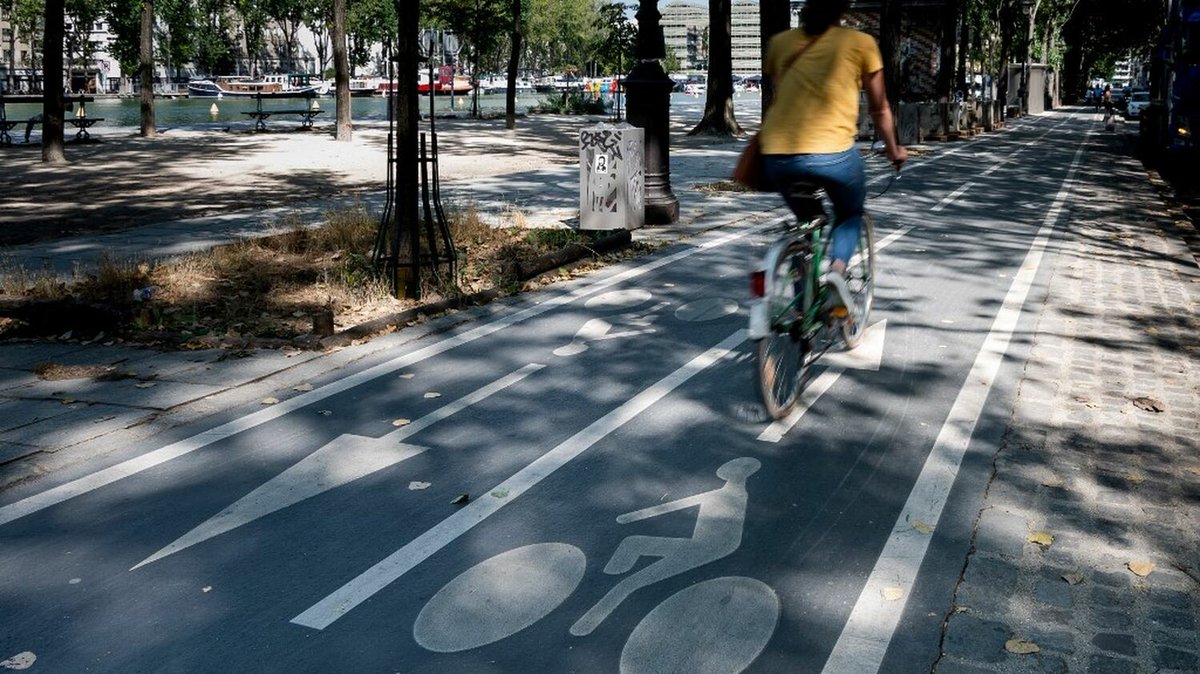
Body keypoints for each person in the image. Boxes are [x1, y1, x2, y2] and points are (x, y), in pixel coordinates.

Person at [758, 0, 907, 305]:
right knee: (850, 212)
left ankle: (803, 309)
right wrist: (894, 150)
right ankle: (838, 272)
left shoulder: (780, 43)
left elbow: (781, 93)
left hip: (778, 154)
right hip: (834, 153)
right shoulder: (860, 43)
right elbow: (879, 108)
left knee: (806, 223)